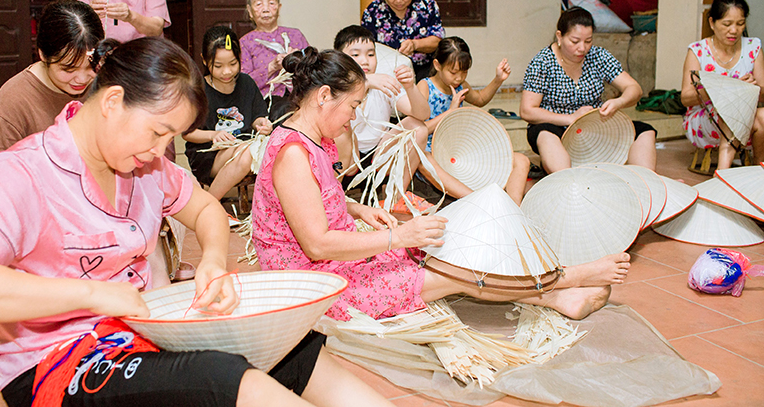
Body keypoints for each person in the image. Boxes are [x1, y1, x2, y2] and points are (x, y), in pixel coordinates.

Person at [0, 37, 395, 407]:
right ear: (112, 102)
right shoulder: (24, 172)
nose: (160, 151)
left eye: (171, 137)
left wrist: (212, 261)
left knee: (293, 349)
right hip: (56, 360)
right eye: (157, 132)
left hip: (141, 329)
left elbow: (206, 210)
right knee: (220, 378)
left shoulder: (146, 167)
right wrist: (93, 294)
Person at [251, 47, 631, 324]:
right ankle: (566, 279)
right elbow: (317, 244)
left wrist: (356, 208)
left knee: (438, 253)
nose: (352, 117)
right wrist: (398, 237)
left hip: (331, 261)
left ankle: (554, 297)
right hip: (314, 283)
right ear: (323, 96)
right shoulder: (293, 155)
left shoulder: (312, 138)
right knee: (448, 272)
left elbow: (312, 200)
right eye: (353, 106)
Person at [520, 7, 657, 174]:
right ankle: (566, 179)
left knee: (645, 131)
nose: (582, 48)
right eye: (575, 41)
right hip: (556, 125)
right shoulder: (542, 62)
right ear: (559, 36)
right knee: (546, 135)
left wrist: (618, 102)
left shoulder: (598, 56)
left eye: (588, 41)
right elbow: (527, 111)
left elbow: (634, 89)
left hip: (594, 125)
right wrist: (570, 118)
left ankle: (644, 180)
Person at [0, 0, 101, 177]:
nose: (82, 79)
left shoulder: (103, 84)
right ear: (43, 54)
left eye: (92, 67)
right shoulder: (10, 105)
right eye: (68, 69)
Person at [418, 37, 531, 205]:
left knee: (521, 160)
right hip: (432, 151)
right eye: (453, 72)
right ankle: (479, 202)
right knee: (424, 160)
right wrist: (450, 112)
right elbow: (417, 130)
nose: (459, 78)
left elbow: (480, 99)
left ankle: (513, 209)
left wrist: (498, 80)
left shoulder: (461, 85)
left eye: (464, 72)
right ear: (437, 65)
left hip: (460, 151)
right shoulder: (425, 87)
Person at [332, 25, 432, 210]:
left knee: (418, 127)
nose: (365, 61)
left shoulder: (384, 83)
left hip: (377, 158)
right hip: (346, 162)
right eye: (355, 55)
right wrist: (364, 82)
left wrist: (410, 87)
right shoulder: (333, 85)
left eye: (371, 54)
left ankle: (395, 195)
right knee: (340, 130)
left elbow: (423, 114)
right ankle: (332, 198)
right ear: (340, 58)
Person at [184, 26, 272, 200]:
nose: (227, 71)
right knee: (247, 152)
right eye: (218, 66)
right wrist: (213, 135)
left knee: (251, 152)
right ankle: (211, 201)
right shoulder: (198, 89)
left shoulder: (246, 83)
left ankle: (210, 201)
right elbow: (187, 133)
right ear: (204, 60)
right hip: (209, 154)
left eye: (233, 64)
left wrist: (262, 124)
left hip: (244, 148)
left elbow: (257, 117)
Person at [681, 0, 764, 169]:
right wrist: (722, 89)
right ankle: (723, 171)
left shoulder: (753, 47)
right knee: (732, 107)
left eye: (740, 24)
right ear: (712, 23)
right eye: (727, 24)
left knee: (762, 116)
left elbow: (763, 94)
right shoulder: (698, 51)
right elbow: (686, 98)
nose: (734, 30)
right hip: (706, 121)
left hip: (748, 119)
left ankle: (758, 169)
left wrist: (752, 88)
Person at [361, 0, 444, 81]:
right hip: (389, 74)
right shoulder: (373, 11)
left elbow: (437, 40)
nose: (398, 0)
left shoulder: (426, 2)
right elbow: (365, 48)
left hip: (425, 71)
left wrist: (415, 44)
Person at [240, 0, 309, 103]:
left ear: (279, 7)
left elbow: (314, 70)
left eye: (271, 3)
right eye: (259, 4)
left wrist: (298, 61)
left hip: (299, 99)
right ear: (250, 11)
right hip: (265, 103)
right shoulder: (245, 42)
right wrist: (272, 67)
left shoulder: (296, 35)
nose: (266, 9)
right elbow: (243, 84)